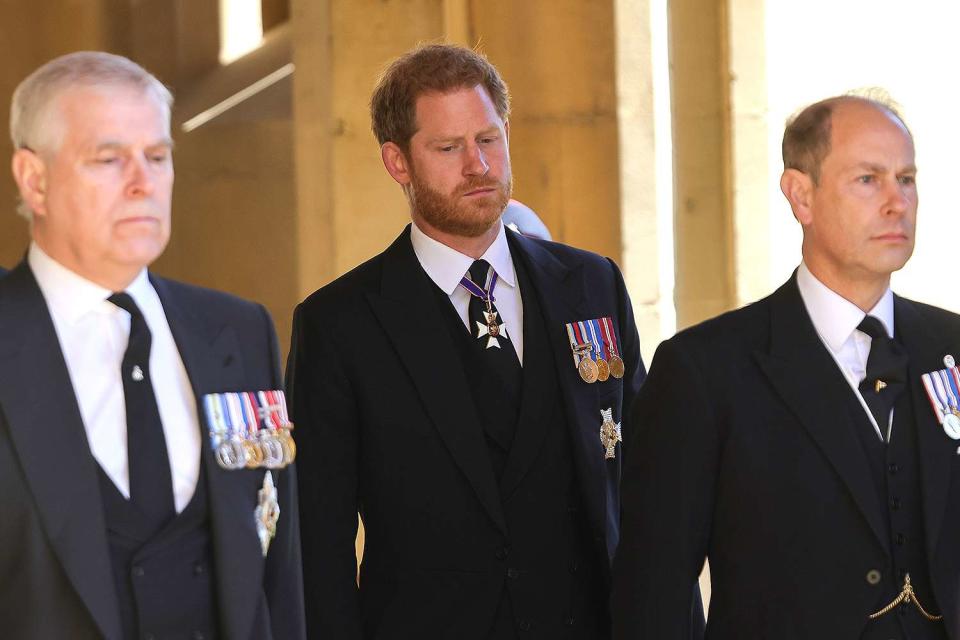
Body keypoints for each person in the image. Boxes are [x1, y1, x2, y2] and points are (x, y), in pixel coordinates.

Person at [289, 43, 645, 638]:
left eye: (487, 139)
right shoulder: (338, 325)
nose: (477, 165)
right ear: (397, 162)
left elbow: (644, 487)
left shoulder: (592, 283)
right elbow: (316, 545)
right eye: (449, 148)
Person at [611, 94, 960, 639]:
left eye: (907, 178)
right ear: (801, 195)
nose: (897, 202)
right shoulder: (703, 370)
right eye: (868, 179)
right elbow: (653, 590)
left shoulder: (953, 345)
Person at [0, 52, 305, 640]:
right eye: (109, 159)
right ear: (34, 180)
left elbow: (279, 570)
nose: (143, 182)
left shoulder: (238, 331)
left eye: (158, 157)